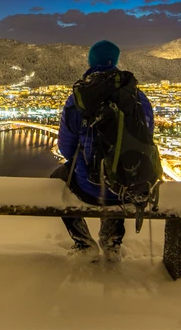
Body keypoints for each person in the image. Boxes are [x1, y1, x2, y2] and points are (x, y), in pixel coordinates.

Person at [51, 39, 155, 263]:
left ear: (90, 62)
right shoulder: (139, 98)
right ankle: (111, 242)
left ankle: (83, 242)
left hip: (89, 187)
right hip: (128, 187)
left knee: (57, 179)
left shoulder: (78, 98)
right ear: (116, 62)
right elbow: (145, 142)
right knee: (121, 171)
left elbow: (66, 149)